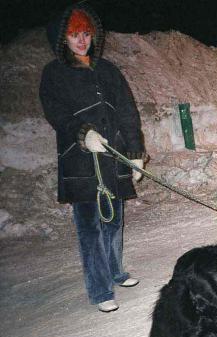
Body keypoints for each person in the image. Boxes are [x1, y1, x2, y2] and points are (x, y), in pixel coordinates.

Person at [39, 4, 145, 312]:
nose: (82, 40)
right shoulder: (54, 74)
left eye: (86, 33)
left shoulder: (109, 70)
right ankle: (100, 291)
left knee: (114, 222)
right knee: (90, 228)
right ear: (63, 38)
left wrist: (135, 154)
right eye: (74, 35)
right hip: (81, 162)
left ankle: (115, 272)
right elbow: (55, 113)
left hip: (113, 159)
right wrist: (83, 133)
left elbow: (128, 113)